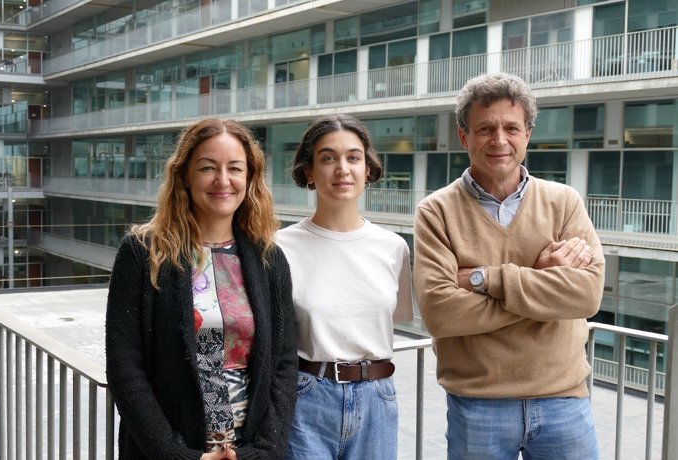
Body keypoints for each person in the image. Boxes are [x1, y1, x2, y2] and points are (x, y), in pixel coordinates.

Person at [413, 73, 606, 459]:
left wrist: (488, 279)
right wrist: (545, 292)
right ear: (464, 136)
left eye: (511, 127)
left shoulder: (564, 203)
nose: (499, 140)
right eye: (485, 128)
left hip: (563, 402)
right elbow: (442, 314)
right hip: (478, 405)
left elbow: (586, 295)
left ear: (527, 134)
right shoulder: (436, 211)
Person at [106, 118, 298, 459]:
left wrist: (264, 451)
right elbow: (125, 369)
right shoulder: (141, 252)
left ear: (250, 177)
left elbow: (284, 365)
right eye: (208, 168)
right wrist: (175, 454)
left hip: (246, 451)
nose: (223, 180)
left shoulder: (269, 259)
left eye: (235, 168)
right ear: (184, 176)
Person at [276, 114, 414, 460]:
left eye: (353, 157)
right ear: (309, 171)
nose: (342, 168)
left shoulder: (394, 247)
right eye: (328, 158)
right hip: (306, 398)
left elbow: (394, 320)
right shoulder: (279, 246)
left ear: (368, 168)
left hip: (378, 400)